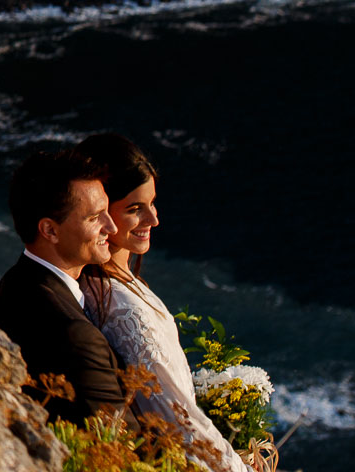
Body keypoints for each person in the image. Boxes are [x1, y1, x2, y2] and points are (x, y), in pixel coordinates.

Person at [74, 133, 249, 472]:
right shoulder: (123, 309)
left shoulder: (114, 283)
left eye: (152, 204)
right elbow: (177, 416)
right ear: (99, 211)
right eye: (134, 209)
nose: (153, 220)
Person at [0, 147, 128, 425]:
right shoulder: (74, 334)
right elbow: (122, 442)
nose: (111, 227)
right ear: (50, 230)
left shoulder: (15, 283)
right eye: (94, 217)